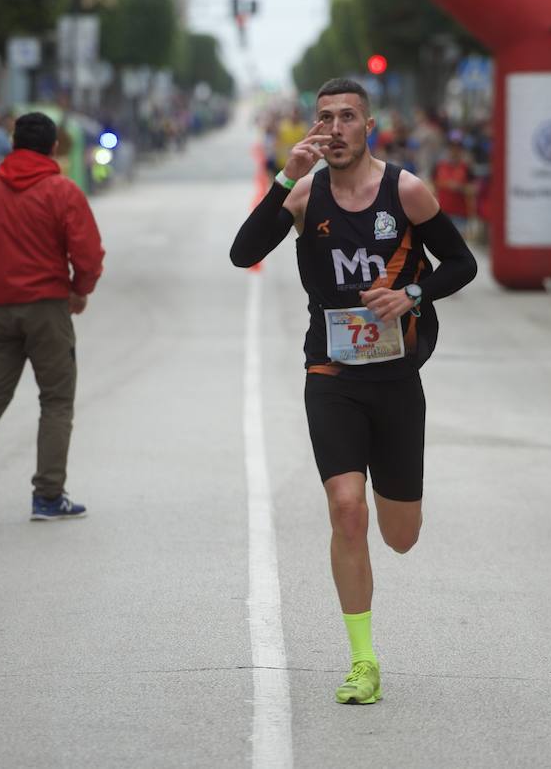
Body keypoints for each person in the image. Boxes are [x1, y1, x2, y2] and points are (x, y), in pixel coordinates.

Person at [229, 78, 478, 705]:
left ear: (369, 126)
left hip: (396, 380)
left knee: (399, 534)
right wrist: (284, 179)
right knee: (346, 509)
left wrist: (412, 294)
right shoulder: (305, 196)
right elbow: (243, 253)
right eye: (324, 118)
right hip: (331, 375)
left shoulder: (406, 191)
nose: (334, 129)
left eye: (347, 118)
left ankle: (396, 529)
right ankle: (363, 660)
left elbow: (462, 264)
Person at [0, 112, 105, 525]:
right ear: (52, 148)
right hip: (47, 311)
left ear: (12, 144)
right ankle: (47, 496)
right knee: (56, 401)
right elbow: (87, 253)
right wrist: (80, 290)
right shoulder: (62, 191)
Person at [433, 135, 474, 233]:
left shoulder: (466, 167)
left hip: (460, 213)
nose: (454, 150)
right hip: (442, 212)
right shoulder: (440, 165)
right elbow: (432, 184)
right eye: (452, 147)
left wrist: (460, 187)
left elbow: (472, 188)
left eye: (457, 147)